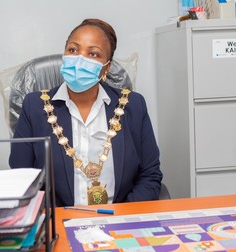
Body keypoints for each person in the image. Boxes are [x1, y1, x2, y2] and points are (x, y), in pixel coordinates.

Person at [9, 18, 162, 206]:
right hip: (58, 223)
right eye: (73, 50)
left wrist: (123, 217)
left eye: (93, 54)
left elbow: (150, 175)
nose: (80, 59)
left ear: (106, 67)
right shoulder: (34, 106)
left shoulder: (133, 105)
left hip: (119, 222)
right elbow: (22, 178)